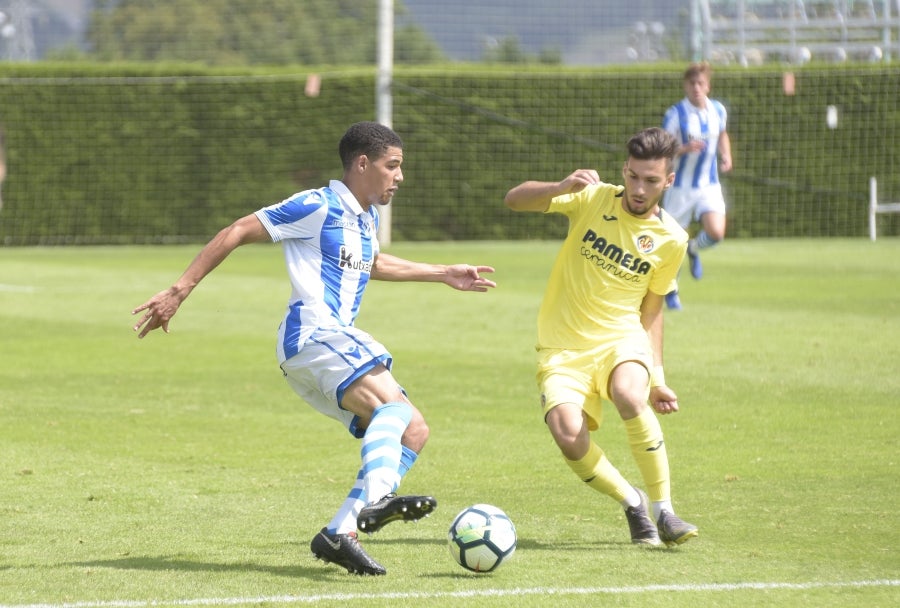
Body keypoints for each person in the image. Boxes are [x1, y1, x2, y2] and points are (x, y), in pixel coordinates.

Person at [132, 121, 496, 576]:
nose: (400, 177)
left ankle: (339, 534)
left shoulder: (365, 218)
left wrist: (442, 272)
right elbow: (238, 230)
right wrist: (179, 290)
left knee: (412, 430)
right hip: (314, 334)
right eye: (393, 166)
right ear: (363, 164)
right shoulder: (316, 205)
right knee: (394, 411)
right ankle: (378, 498)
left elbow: (373, 262)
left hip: (324, 345)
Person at [503, 127, 698, 548]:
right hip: (562, 348)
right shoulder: (593, 198)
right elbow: (514, 200)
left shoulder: (673, 240)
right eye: (633, 176)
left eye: (650, 180)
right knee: (567, 433)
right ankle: (632, 502)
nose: (639, 188)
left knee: (631, 394)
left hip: (620, 341)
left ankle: (665, 510)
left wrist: (658, 377)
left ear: (669, 181)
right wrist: (559, 186)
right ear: (623, 170)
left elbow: (652, 311)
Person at [661, 61, 733, 310]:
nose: (696, 88)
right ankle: (671, 292)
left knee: (717, 233)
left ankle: (694, 248)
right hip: (679, 187)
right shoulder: (675, 114)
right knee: (672, 245)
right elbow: (664, 151)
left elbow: (722, 134)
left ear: (708, 86)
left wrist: (727, 155)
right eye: (692, 83)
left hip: (708, 185)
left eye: (700, 83)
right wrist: (683, 149)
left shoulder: (718, 111)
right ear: (685, 86)